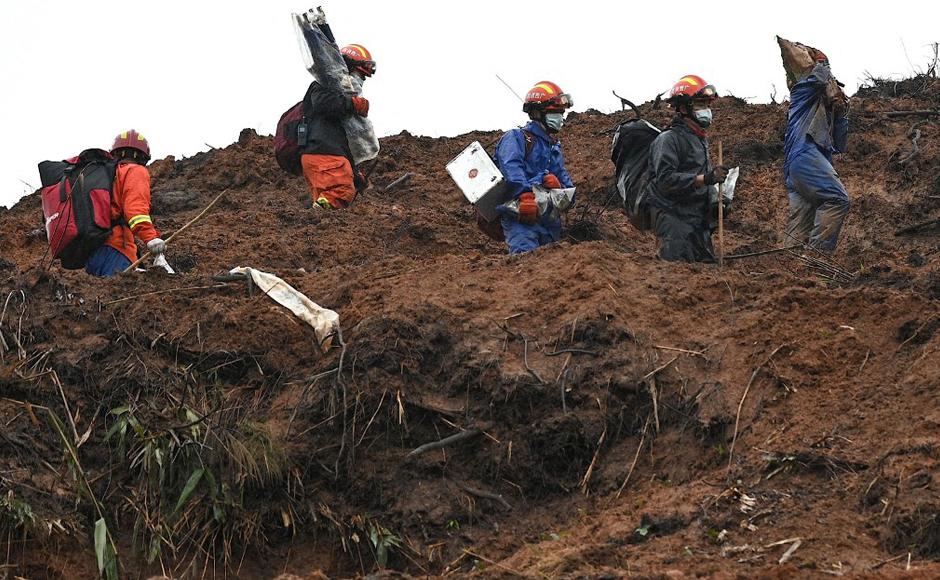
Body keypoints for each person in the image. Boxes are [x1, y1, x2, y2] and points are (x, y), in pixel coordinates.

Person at [645, 75, 726, 262]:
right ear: (683, 108)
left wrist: (715, 198)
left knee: (706, 270)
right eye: (699, 105)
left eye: (707, 105)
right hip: (673, 219)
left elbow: (703, 178)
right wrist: (705, 179)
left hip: (697, 219)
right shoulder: (668, 140)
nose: (706, 110)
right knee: (677, 276)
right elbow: (666, 181)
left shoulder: (700, 139)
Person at [493, 81, 575, 254]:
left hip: (550, 223)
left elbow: (568, 189)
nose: (561, 118)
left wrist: (560, 187)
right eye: (555, 112)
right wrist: (524, 194)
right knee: (526, 265)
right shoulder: (516, 138)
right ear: (538, 112)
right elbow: (511, 167)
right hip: (521, 219)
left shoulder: (553, 148)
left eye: (561, 113)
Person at [783, 52, 849, 252]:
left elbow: (840, 145)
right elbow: (818, 80)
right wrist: (822, 63)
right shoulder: (801, 93)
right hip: (804, 156)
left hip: (800, 167)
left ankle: (790, 270)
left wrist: (841, 114)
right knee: (837, 199)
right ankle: (817, 259)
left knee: (801, 221)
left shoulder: (824, 110)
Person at [300, 43, 375, 210]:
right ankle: (315, 217)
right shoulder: (323, 83)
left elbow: (341, 142)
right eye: (360, 75)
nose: (361, 80)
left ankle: (314, 230)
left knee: (328, 202)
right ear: (347, 67)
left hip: (322, 154)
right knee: (340, 192)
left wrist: (355, 175)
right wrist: (353, 104)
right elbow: (323, 103)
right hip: (323, 153)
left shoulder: (337, 117)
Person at [85, 130, 164, 276]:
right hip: (116, 247)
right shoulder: (135, 171)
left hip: (90, 249)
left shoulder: (105, 175)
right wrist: (151, 238)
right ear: (143, 157)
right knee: (117, 292)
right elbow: (135, 211)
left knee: (100, 295)